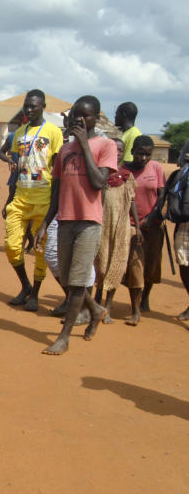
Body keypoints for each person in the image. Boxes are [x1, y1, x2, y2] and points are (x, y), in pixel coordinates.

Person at [36, 96, 115, 355]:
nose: (79, 120)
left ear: (96, 117)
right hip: (65, 220)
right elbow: (56, 191)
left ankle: (64, 337)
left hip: (89, 222)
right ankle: (95, 309)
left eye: (85, 116)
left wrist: (83, 144)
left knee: (78, 281)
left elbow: (98, 182)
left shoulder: (106, 145)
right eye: (75, 116)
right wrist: (45, 224)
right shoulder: (65, 151)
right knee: (71, 280)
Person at [4, 90, 63, 312]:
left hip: (44, 198)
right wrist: (8, 198)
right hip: (20, 196)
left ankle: (35, 295)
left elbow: (57, 171)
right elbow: (16, 169)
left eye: (33, 106)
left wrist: (56, 204)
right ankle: (25, 285)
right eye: (27, 105)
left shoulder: (54, 132)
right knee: (11, 245)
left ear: (43, 106)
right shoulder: (19, 133)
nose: (29, 109)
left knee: (40, 250)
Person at [119, 135, 166, 325]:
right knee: (135, 266)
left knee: (152, 266)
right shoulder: (123, 171)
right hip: (131, 226)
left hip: (153, 226)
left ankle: (145, 296)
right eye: (140, 154)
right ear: (132, 152)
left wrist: (153, 216)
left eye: (148, 154)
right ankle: (135, 309)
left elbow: (162, 196)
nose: (144, 158)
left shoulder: (156, 168)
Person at [94, 138, 139, 324]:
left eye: (120, 150)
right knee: (99, 265)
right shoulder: (99, 173)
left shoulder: (127, 176)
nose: (118, 153)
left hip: (120, 226)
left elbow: (132, 201)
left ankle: (108, 307)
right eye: (114, 149)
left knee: (116, 265)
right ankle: (95, 304)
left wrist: (136, 224)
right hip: (100, 225)